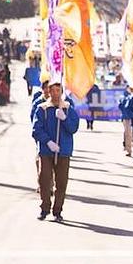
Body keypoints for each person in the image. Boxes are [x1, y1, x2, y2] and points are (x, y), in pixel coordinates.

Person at [32, 82, 80, 222]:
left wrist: (64, 119)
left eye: (58, 90)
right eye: (52, 90)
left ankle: (57, 210)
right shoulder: (42, 109)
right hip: (47, 151)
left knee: (61, 182)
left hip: (63, 150)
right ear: (49, 92)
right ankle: (44, 207)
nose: (55, 93)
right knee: (44, 179)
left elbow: (73, 128)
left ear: (61, 92)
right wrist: (48, 142)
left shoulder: (67, 109)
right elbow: (36, 129)